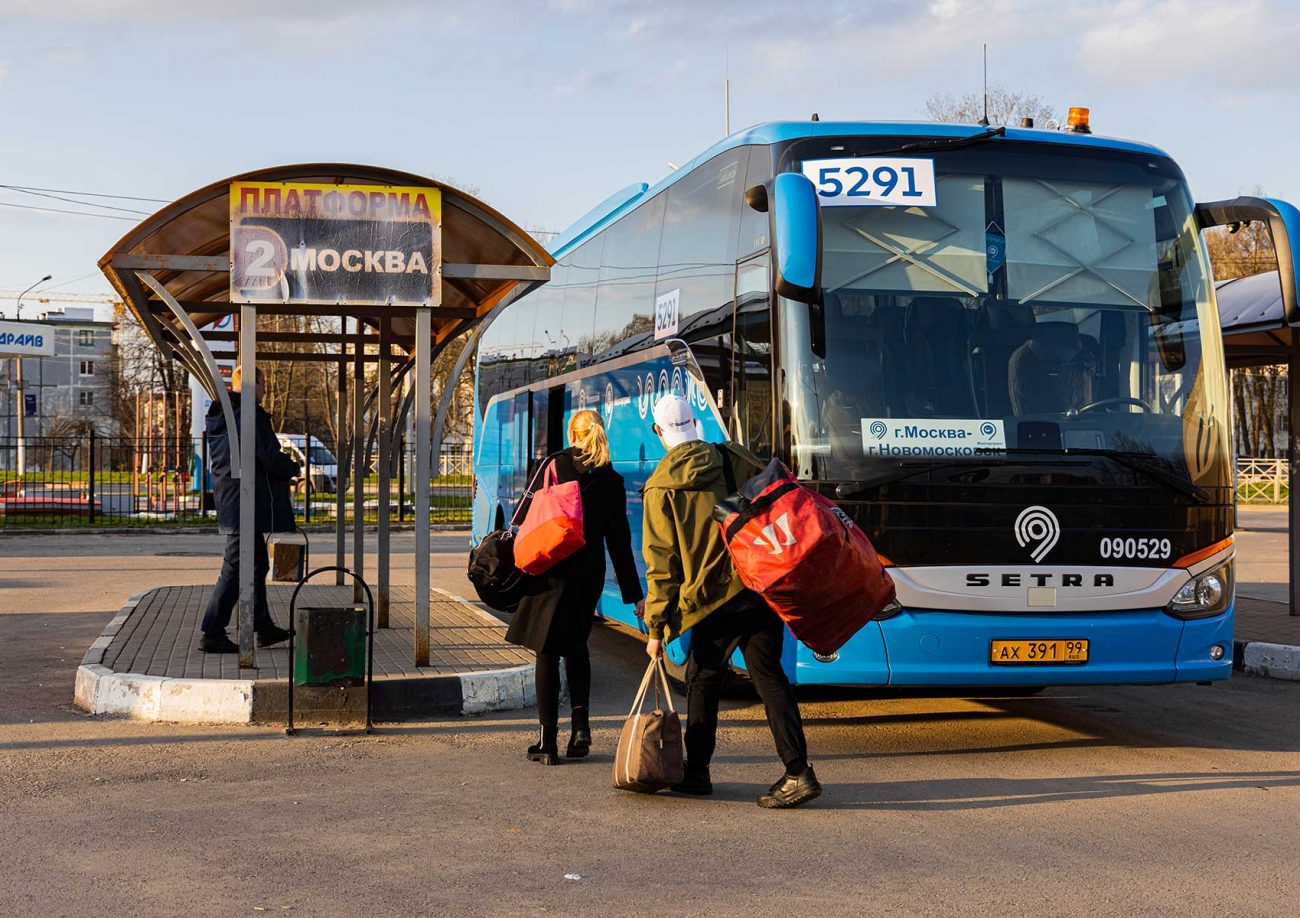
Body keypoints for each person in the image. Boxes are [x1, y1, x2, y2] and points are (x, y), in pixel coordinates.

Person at [641, 394, 821, 808]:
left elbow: (662, 565)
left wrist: (655, 627)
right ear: (695, 423)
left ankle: (697, 772)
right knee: (770, 678)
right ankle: (798, 772)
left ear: (658, 432)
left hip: (712, 600)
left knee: (703, 680)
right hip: (757, 586)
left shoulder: (660, 487)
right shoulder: (732, 459)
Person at [506, 409, 644, 765]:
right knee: (577, 646)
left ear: (572, 433)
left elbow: (522, 515)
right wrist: (634, 595)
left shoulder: (554, 465)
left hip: (549, 569)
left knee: (547, 652)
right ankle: (580, 727)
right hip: (588, 573)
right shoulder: (612, 480)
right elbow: (619, 543)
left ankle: (547, 741)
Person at [198, 366, 299, 653]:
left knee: (255, 564)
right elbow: (267, 456)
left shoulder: (227, 414)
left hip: (236, 500)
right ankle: (212, 631)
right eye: (264, 383)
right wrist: (292, 467)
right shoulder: (248, 414)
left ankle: (262, 627)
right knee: (235, 567)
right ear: (254, 385)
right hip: (245, 502)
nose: (266, 389)